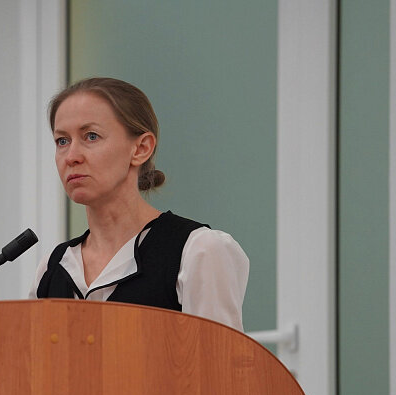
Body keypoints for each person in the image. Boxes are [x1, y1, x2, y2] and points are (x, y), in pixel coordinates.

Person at [30, 77, 249, 331]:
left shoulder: (198, 251)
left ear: (141, 148)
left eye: (91, 136)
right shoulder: (52, 267)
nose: (71, 157)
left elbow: (218, 356)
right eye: (62, 141)